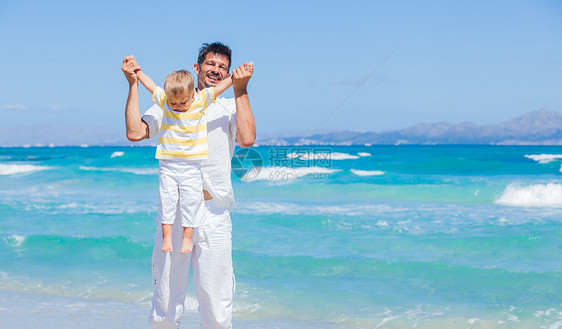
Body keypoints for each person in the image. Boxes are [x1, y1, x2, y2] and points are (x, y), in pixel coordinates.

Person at [121, 42, 255, 329]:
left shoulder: (229, 105)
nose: (216, 71)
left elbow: (246, 139)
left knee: (217, 306)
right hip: (176, 214)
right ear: (197, 68)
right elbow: (135, 132)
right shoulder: (171, 102)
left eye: (223, 67)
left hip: (214, 213)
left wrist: (240, 89)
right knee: (166, 303)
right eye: (211, 64)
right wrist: (133, 84)